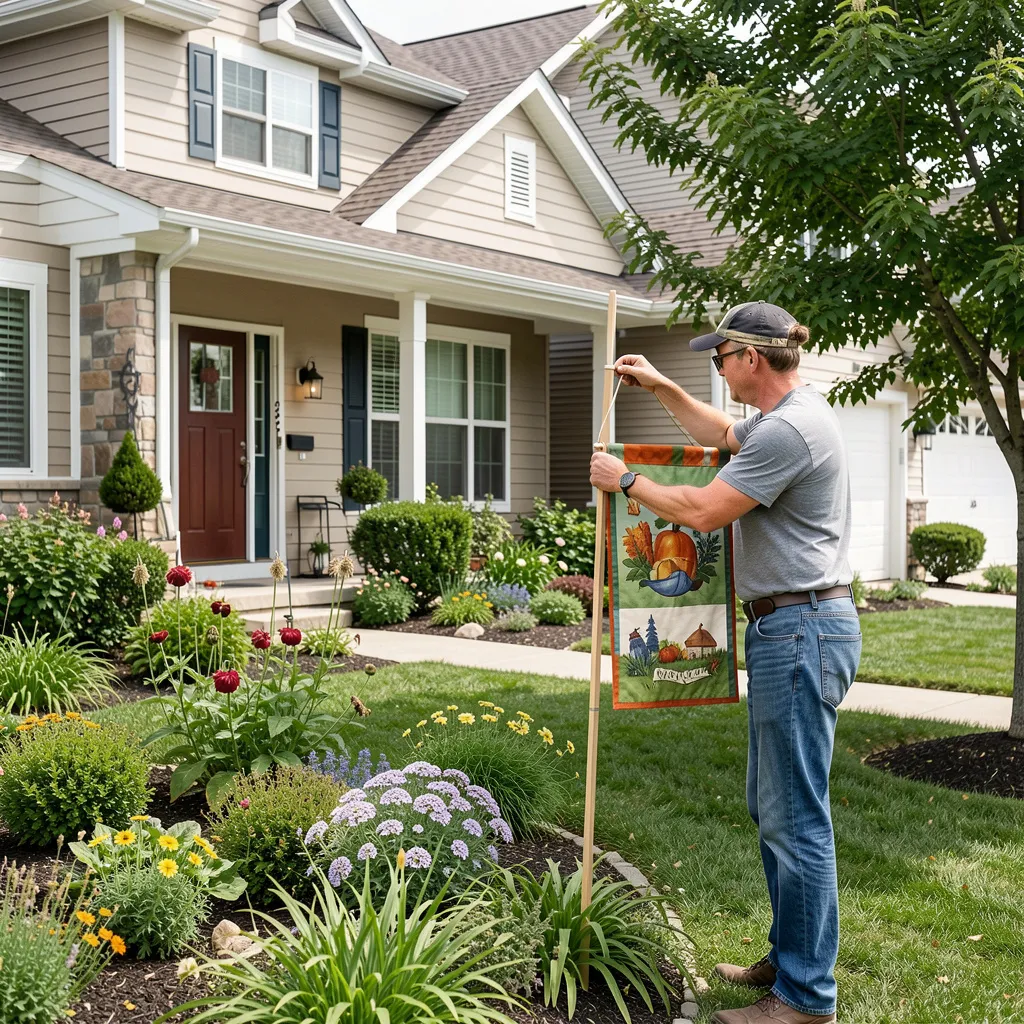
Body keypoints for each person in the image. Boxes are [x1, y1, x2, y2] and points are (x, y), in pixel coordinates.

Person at [590, 300, 861, 1024]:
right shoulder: (785, 417)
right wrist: (660, 387)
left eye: (718, 358)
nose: (714, 369)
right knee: (773, 808)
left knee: (796, 817)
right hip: (794, 628)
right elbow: (719, 433)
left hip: (800, 630)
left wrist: (624, 481)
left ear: (750, 358)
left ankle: (804, 998)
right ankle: (791, 954)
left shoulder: (791, 430)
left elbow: (705, 511)